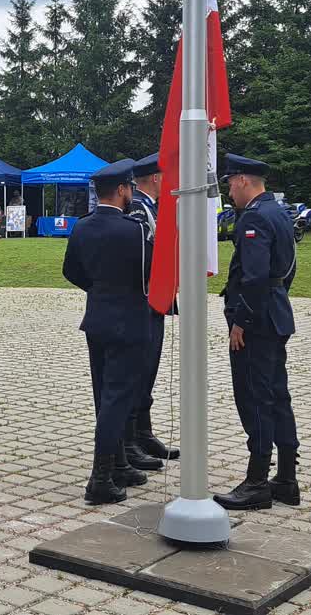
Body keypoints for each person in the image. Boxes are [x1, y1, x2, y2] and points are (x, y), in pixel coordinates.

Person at [214, 153, 301, 512]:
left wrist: (241, 323)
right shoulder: (278, 212)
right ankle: (285, 479)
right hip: (275, 313)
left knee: (255, 399)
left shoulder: (254, 218)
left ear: (244, 181)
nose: (229, 191)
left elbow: (254, 277)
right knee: (278, 396)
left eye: (231, 183)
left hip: (257, 322)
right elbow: (287, 269)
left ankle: (256, 482)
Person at [63, 159, 153, 505]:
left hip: (97, 320)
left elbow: (71, 270)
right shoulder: (134, 231)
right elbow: (148, 275)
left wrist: (99, 289)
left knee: (105, 396)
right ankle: (100, 478)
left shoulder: (83, 227)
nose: (131, 193)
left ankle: (117, 464)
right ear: (121, 190)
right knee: (118, 399)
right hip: (128, 322)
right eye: (130, 188)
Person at [124, 153, 179, 469]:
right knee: (138, 372)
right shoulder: (136, 209)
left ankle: (144, 433)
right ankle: (130, 441)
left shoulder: (153, 207)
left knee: (149, 371)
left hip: (156, 302)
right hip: (142, 302)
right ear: (156, 178)